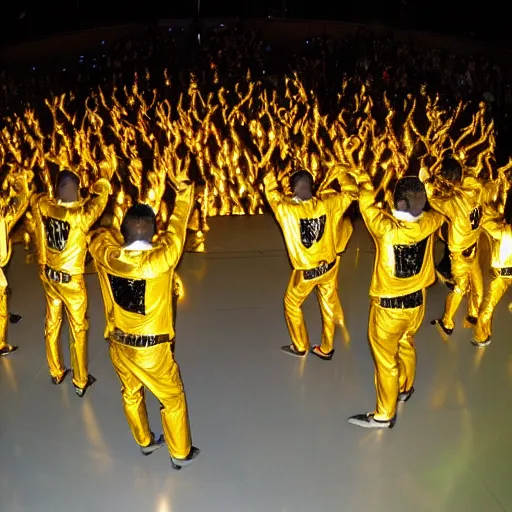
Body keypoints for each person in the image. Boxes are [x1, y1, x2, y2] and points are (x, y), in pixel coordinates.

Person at [89, 175, 200, 469]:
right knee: (173, 398)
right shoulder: (162, 259)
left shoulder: (104, 253)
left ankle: (145, 441)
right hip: (153, 351)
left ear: (123, 230)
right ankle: (180, 454)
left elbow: (98, 233)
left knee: (130, 392)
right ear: (154, 232)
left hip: (118, 345)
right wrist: (184, 195)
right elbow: (176, 231)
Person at [348, 174, 444, 429]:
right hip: (417, 305)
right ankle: (405, 387)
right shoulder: (432, 221)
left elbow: (366, 204)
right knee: (407, 343)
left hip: (389, 308)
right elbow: (440, 209)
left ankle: (384, 414)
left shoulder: (385, 227)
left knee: (386, 361)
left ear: (400, 203)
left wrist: (363, 180)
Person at [263, 167, 358, 360]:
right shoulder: (329, 203)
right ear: (311, 186)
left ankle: (299, 346)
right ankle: (326, 348)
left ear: (293, 189)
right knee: (328, 304)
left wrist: (271, 178)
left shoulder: (287, 209)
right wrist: (340, 172)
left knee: (291, 303)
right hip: (329, 266)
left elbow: (272, 195)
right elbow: (351, 192)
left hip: (307, 272)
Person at [31, 170, 110, 395]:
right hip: (71, 283)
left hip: (49, 278)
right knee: (78, 330)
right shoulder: (80, 216)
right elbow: (100, 202)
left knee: (51, 324)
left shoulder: (44, 207)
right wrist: (102, 182)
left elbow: (36, 199)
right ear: (76, 190)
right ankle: (80, 380)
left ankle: (56, 371)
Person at [426, 157, 484, 335]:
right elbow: (467, 179)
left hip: (460, 254)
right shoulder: (477, 189)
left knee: (460, 288)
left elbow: (434, 201)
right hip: (473, 246)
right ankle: (473, 314)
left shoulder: (452, 204)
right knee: (478, 285)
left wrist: (428, 184)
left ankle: (447, 322)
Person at [472, 188, 512, 347]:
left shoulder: (501, 230)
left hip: (501, 275)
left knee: (487, 308)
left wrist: (479, 213)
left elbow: (483, 223)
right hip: (502, 275)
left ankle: (481, 336)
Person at [0, 169, 34, 356]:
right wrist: (22, 183)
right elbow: (22, 202)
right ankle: (1, 343)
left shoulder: (4, 217)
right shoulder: (3, 219)